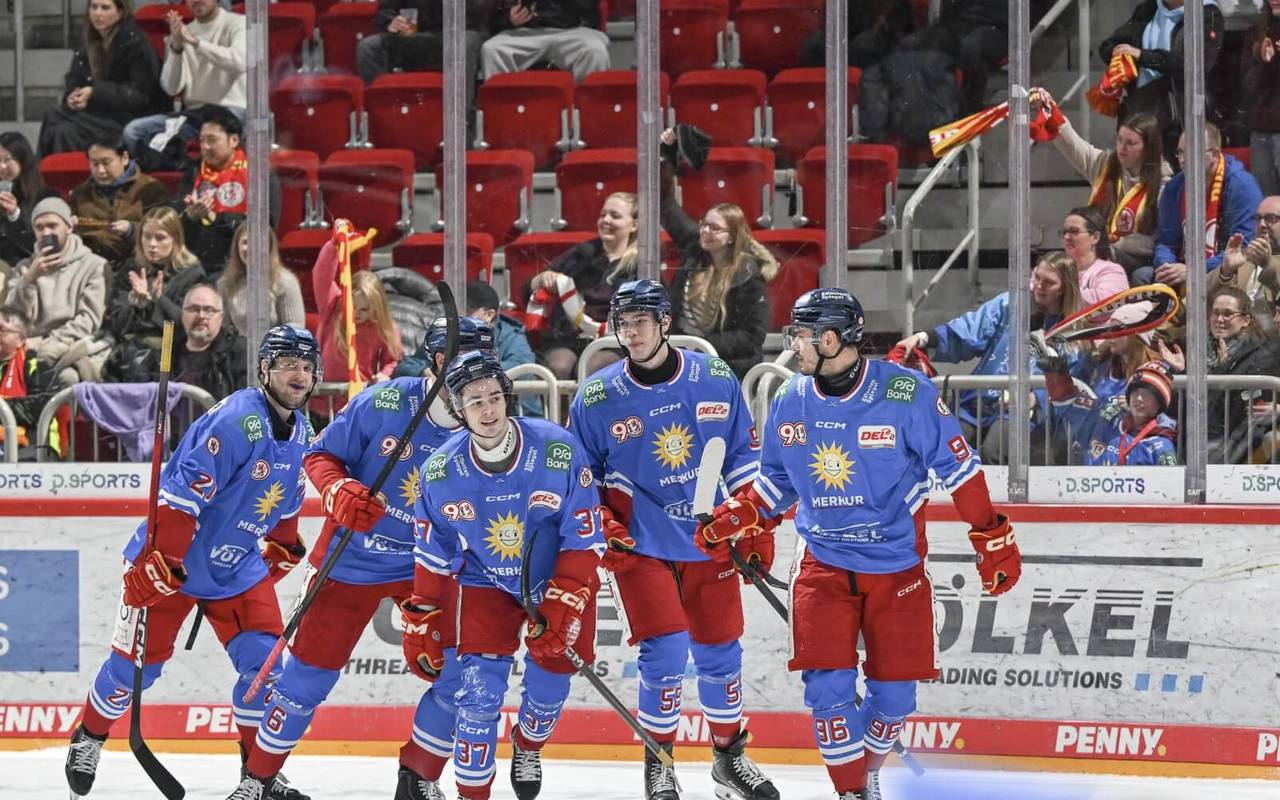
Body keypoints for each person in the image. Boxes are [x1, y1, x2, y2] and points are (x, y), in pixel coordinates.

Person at [695, 288, 1020, 800]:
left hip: (897, 569)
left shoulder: (907, 393)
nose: (792, 344)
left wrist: (992, 536)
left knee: (894, 699)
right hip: (822, 566)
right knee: (827, 693)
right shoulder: (789, 399)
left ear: (830, 338)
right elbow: (775, 482)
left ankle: (862, 775)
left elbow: (959, 470)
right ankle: (851, 792)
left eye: (801, 334)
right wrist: (743, 514)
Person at [231, 317, 495, 800]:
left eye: (483, 367)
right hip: (352, 559)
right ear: (437, 361)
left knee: (459, 675)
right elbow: (319, 457)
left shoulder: (487, 425)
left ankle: (417, 776)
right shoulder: (385, 401)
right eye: (461, 364)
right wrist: (340, 489)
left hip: (428, 568)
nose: (474, 380)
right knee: (307, 678)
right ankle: (260, 781)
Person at [63, 325, 321, 800]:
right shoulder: (236, 422)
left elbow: (287, 499)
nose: (298, 375)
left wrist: (284, 543)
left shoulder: (304, 428)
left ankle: (257, 776)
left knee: (265, 670)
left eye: (306, 367)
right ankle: (90, 736)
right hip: (173, 561)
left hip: (235, 567)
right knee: (136, 669)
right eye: (288, 364)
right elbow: (181, 501)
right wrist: (161, 561)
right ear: (265, 369)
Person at [566, 280, 778, 800]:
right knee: (664, 654)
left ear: (664, 324)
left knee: (720, 654)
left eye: (640, 321)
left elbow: (744, 458)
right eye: (622, 322)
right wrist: (603, 525)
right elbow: (578, 476)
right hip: (641, 544)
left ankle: (730, 758)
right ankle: (659, 764)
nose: (631, 332)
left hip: (710, 540)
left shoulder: (712, 377)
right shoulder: (596, 396)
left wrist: (751, 521)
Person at [401, 349, 604, 800]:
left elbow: (585, 537)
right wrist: (422, 619)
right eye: (474, 401)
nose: (488, 409)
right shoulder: (439, 473)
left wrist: (563, 598)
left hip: (555, 582)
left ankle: (528, 744)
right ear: (457, 409)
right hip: (486, 585)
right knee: (476, 702)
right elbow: (434, 555)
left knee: (549, 690)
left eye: (494, 396)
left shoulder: (556, 447)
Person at [894, 251, 1086, 463]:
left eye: (1049, 282)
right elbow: (969, 331)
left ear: (1064, 288)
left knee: (994, 450)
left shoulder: (1071, 333)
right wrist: (921, 338)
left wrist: (1036, 400)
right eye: (1036, 277)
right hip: (976, 402)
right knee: (946, 447)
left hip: (1020, 411)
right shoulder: (1010, 303)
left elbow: (1068, 383)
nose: (1039, 285)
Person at [659, 128, 778, 377]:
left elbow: (752, 335)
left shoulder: (749, 273)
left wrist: (704, 348)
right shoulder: (696, 245)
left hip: (728, 363)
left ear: (731, 236)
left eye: (715, 228)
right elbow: (665, 205)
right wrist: (667, 157)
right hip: (684, 355)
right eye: (704, 224)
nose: (705, 231)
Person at [1030, 92, 1170, 273]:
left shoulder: (1163, 186)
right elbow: (1074, 145)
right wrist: (1048, 109)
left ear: (1148, 149)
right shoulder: (1105, 165)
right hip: (1099, 249)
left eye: (1131, 143)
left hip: (1137, 259)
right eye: (1119, 140)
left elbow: (1157, 240)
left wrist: (1112, 243)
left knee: (1098, 254)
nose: (1121, 148)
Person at [124, 0, 246, 171]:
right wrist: (176, 47)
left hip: (233, 111)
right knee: (133, 131)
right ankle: (182, 167)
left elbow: (239, 62)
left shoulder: (238, 23)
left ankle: (193, 168)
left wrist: (197, 44)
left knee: (223, 133)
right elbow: (171, 87)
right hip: (196, 115)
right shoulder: (183, 33)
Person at [527, 192, 637, 380]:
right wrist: (543, 278)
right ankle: (561, 411)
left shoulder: (642, 263)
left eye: (615, 216)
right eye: (603, 214)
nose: (606, 220)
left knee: (592, 367)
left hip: (615, 342)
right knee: (557, 366)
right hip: (569, 338)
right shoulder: (582, 253)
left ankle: (594, 411)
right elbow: (529, 289)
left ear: (635, 224)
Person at [1098, 0, 1226, 157]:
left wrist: (1143, 56)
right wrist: (1120, 56)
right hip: (1139, 110)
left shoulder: (1207, 13)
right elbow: (1108, 46)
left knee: (1171, 174)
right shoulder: (1148, 9)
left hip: (1177, 118)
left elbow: (1196, 65)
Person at [38, 0, 166, 156]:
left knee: (54, 115)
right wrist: (73, 97)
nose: (97, 13)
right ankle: (57, 177)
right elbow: (74, 79)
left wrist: (94, 92)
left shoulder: (138, 44)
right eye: (94, 7)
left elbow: (140, 95)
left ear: (120, 12)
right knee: (61, 131)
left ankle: (38, 177)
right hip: (96, 118)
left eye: (105, 8)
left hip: (129, 118)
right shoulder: (87, 42)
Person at [1146, 124, 1264, 287]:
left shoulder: (1242, 186)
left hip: (1225, 269)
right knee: (1143, 276)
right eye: (1180, 152)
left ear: (1215, 154)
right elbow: (1166, 241)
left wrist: (1194, 271)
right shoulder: (1175, 186)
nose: (1182, 159)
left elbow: (1244, 249)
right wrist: (1166, 266)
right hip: (1183, 267)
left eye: (1191, 152)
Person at [4, 197, 108, 380]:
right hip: (27, 346)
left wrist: (46, 341)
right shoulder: (24, 267)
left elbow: (89, 320)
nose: (46, 232)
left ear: (68, 227)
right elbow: (11, 318)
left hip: (70, 345)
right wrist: (29, 280)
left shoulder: (94, 266)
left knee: (67, 378)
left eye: (53, 226)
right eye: (39, 227)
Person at [177, 105, 281, 272]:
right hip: (196, 264)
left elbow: (267, 226)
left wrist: (215, 218)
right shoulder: (193, 174)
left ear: (234, 140)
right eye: (201, 140)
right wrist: (190, 217)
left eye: (211, 140)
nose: (205, 147)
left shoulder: (260, 176)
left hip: (244, 266)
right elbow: (177, 224)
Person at [312, 241, 403, 414]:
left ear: (376, 307)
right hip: (323, 405)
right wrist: (333, 245)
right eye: (352, 306)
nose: (356, 313)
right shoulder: (333, 308)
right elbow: (321, 274)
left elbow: (391, 360)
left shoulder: (384, 327)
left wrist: (384, 375)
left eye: (365, 309)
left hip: (360, 404)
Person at [1042, 356, 1179, 466]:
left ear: (1159, 404)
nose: (1139, 398)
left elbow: (1169, 493)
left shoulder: (1161, 447)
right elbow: (1073, 407)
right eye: (1136, 391)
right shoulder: (1107, 417)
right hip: (1092, 499)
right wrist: (1058, 379)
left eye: (1148, 395)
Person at [356, 1, 489, 110]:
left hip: (463, 30)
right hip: (418, 34)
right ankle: (381, 115)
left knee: (461, 43)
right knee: (369, 47)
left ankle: (462, 120)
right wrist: (390, 21)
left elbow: (485, 8)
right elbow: (386, 9)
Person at [105, 206, 206, 349]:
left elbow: (188, 325)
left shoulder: (192, 273)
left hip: (170, 343)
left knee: (162, 367)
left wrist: (159, 300)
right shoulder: (132, 268)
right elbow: (117, 324)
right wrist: (134, 304)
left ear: (175, 239)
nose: (152, 244)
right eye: (146, 236)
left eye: (160, 238)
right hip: (130, 343)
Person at [69, 135, 173, 264]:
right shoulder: (80, 193)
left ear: (124, 158)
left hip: (138, 263)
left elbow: (166, 231)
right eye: (95, 164)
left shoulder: (150, 189)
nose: (100, 171)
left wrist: (131, 229)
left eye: (106, 163)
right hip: (90, 264)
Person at [1205, 287, 1280, 462]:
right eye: (1216, 313)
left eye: (1227, 313)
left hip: (1244, 442)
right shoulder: (1199, 350)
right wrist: (1180, 371)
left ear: (1246, 320)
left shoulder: (1262, 352)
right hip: (1215, 439)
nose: (1220, 319)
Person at [482, 0, 610, 83]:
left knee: (595, 50)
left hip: (574, 30)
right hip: (525, 32)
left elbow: (588, 7)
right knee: (492, 49)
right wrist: (509, 18)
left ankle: (589, 117)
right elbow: (492, 11)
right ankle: (504, 117)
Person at [465, 280, 542, 417]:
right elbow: (416, 362)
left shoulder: (510, 335)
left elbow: (523, 365)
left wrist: (475, 368)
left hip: (511, 419)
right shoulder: (446, 332)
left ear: (489, 315)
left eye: (468, 312)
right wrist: (425, 370)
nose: (460, 317)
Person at [1211, 195, 1280, 335]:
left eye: (1271, 219)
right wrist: (1226, 272)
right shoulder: (1243, 259)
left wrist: (1268, 264)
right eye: (1258, 219)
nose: (1261, 225)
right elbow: (1196, 299)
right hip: (1225, 346)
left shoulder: (1271, 266)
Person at [218, 223, 305, 333]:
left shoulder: (286, 282)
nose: (252, 248)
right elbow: (222, 330)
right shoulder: (225, 284)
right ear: (237, 247)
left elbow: (295, 332)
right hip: (237, 349)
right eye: (246, 242)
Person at [0, 304, 60, 449]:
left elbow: (38, 408)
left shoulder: (38, 366)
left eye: (2, 330)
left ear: (21, 340)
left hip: (34, 448)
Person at [174, 282, 247, 400]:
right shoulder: (168, 354)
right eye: (194, 309)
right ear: (182, 314)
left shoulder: (239, 353)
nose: (201, 316)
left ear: (221, 317)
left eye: (209, 310)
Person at [0, 132, 59, 269]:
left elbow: (48, 245)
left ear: (22, 160)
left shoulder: (46, 196)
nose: (1, 167)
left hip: (27, 266)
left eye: (7, 160)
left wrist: (15, 215)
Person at [1060, 206, 1130, 305]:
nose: (1066, 237)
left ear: (1095, 237)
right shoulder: (1057, 269)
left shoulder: (1110, 271)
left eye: (1074, 231)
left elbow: (1109, 302)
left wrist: (1060, 293)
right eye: (1064, 232)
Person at [1245, 0, 1280, 196]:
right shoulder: (1256, 33)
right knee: (1267, 200)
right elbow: (1247, 87)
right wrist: (1266, 64)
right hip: (1261, 130)